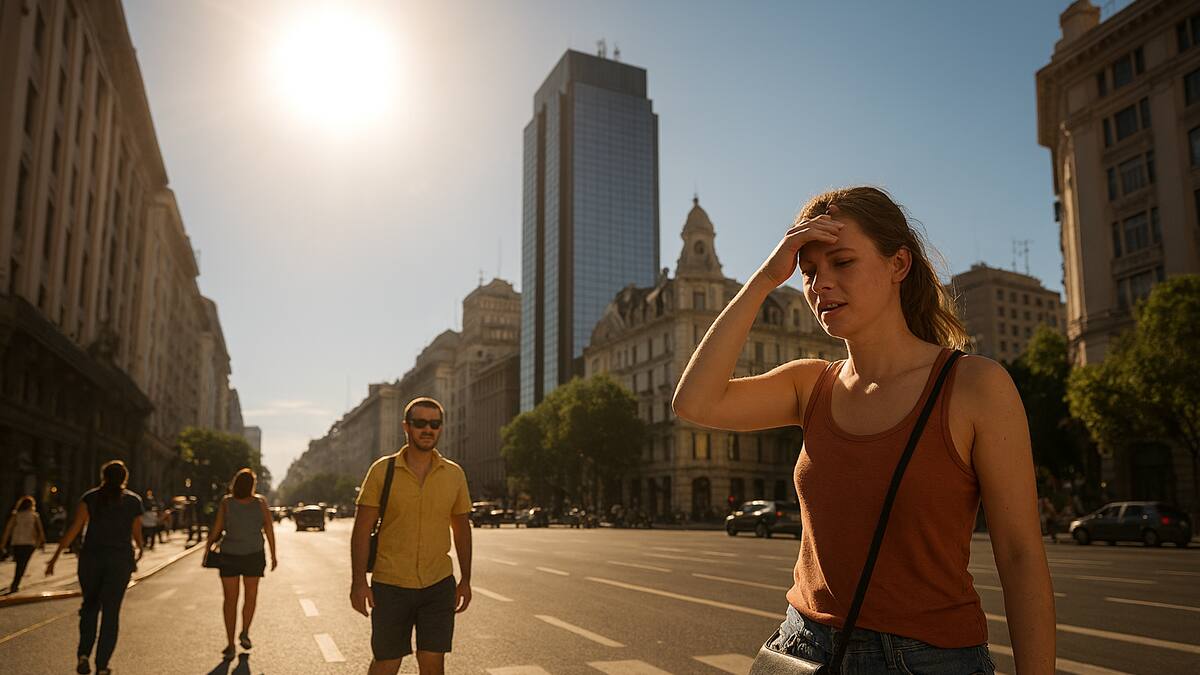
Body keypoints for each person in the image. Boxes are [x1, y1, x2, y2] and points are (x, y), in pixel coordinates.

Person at [672, 187, 1055, 674]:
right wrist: (768, 277)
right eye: (808, 272)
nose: (819, 285)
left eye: (843, 262)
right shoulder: (809, 384)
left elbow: (1021, 554)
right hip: (804, 649)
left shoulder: (975, 385)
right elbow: (694, 401)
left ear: (898, 264)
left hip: (927, 659)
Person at [350, 397, 473, 675]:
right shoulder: (383, 470)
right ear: (406, 427)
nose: (427, 429)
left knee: (432, 662)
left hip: (438, 584)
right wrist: (359, 581)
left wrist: (465, 580)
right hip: (391, 584)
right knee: (387, 662)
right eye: (420, 423)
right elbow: (361, 530)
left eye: (434, 424)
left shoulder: (454, 474)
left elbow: (462, 529)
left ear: (440, 428)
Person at [46, 460, 144, 675]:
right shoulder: (133, 501)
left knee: (89, 607)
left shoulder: (89, 498)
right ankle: (101, 666)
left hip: (91, 560)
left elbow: (75, 528)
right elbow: (137, 534)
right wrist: (140, 550)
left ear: (104, 476)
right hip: (119, 561)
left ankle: (83, 655)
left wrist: (54, 557)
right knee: (111, 613)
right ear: (124, 478)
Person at [205, 468, 277, 660]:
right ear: (252, 485)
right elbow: (269, 529)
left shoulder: (227, 502)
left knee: (230, 600)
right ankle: (244, 632)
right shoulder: (260, 503)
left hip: (229, 555)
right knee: (250, 596)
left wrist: (208, 547)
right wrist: (274, 555)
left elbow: (217, 528)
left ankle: (230, 644)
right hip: (254, 555)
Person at [2, 495, 45, 593]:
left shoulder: (16, 515)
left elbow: (8, 530)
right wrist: (42, 541)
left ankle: (15, 582)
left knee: (19, 563)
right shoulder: (34, 515)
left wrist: (3, 543)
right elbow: (40, 530)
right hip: (29, 543)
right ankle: (15, 583)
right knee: (23, 563)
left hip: (17, 542)